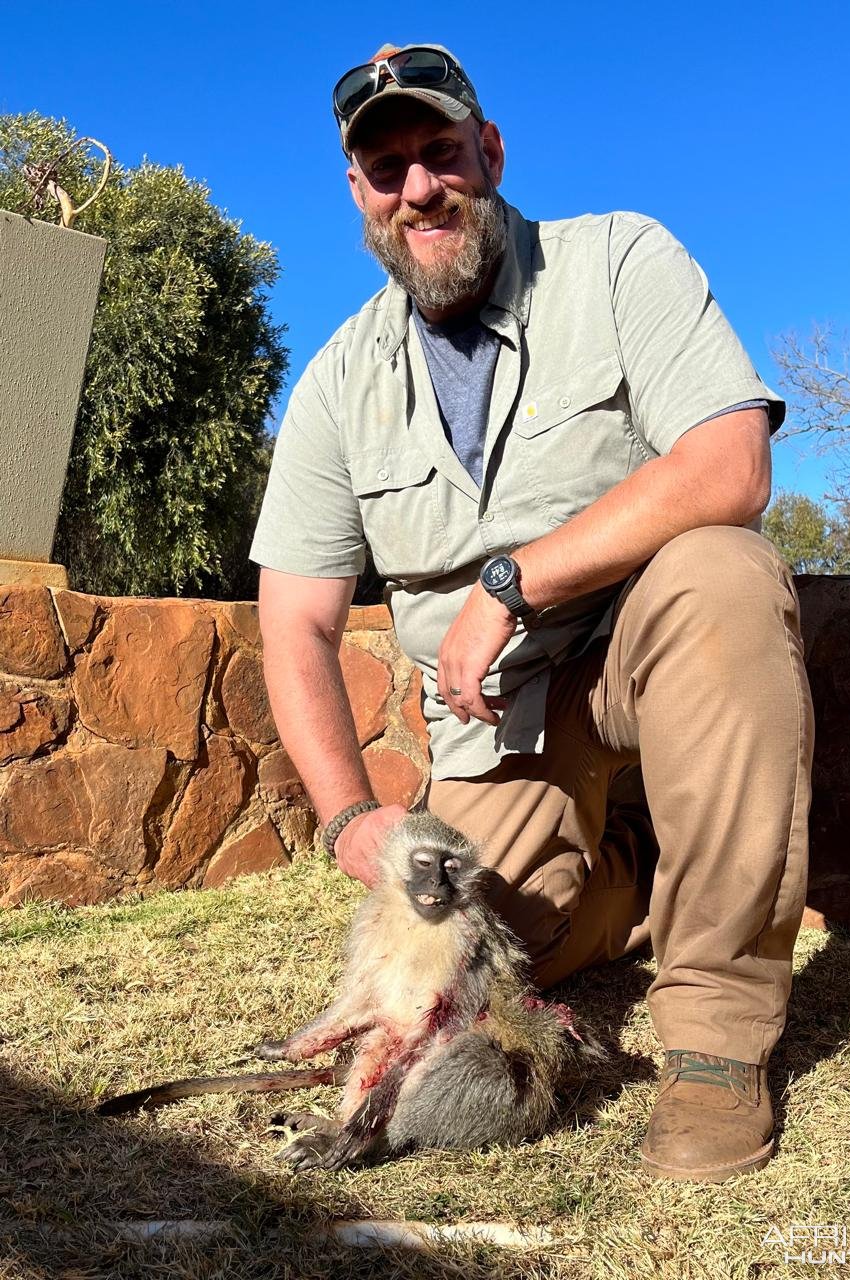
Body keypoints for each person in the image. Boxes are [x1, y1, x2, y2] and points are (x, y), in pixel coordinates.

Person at [250, 42, 814, 1183]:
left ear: (489, 152)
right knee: (497, 948)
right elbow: (295, 623)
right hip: (497, 727)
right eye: (388, 166)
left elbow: (729, 462)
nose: (420, 188)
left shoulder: (615, 260)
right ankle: (637, 886)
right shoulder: (337, 383)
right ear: (357, 191)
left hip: (646, 651)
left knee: (723, 572)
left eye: (440, 152)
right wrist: (352, 817)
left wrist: (512, 583)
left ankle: (714, 1044)